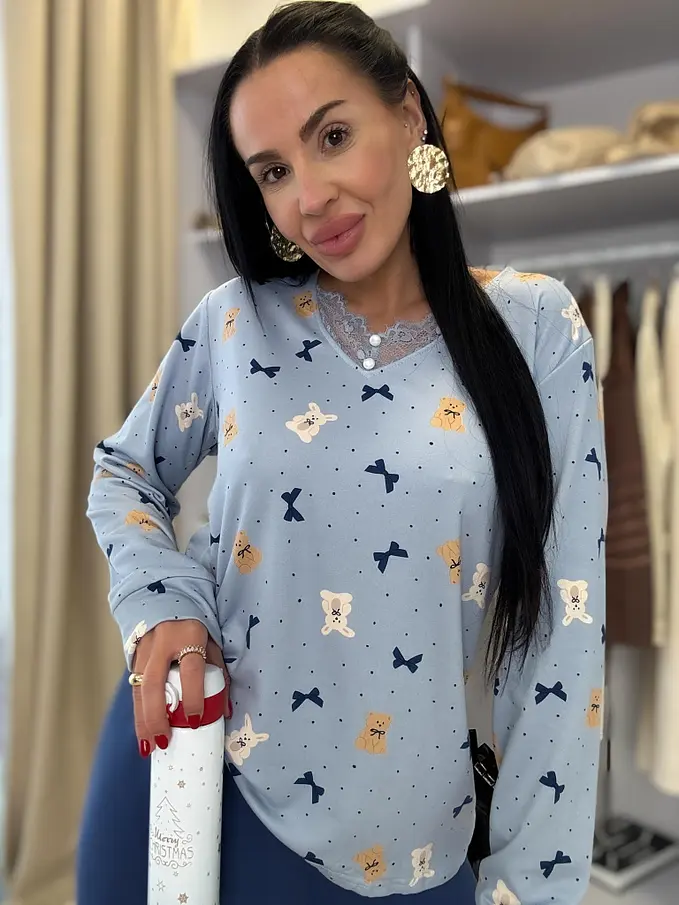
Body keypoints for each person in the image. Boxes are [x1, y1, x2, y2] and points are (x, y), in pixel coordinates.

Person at [78, 2, 607, 902]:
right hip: (194, 776)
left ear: (407, 116)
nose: (309, 197)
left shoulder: (534, 328)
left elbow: (563, 635)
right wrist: (160, 600)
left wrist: (530, 885)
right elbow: (123, 469)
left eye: (332, 137)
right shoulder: (235, 321)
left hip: (410, 845)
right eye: (273, 171)